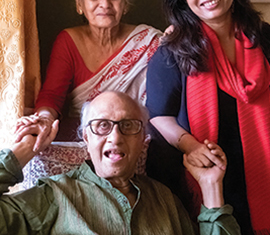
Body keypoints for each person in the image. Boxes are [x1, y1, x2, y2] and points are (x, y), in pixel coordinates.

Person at [146, 0, 270, 235]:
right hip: (207, 177)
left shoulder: (264, 38)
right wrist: (192, 145)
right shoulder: (173, 51)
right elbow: (158, 116)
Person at [0, 91, 240, 234]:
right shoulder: (54, 195)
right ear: (86, 136)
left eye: (129, 126)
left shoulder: (165, 199)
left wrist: (211, 187)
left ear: (142, 139)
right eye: (102, 126)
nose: (115, 137)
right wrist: (24, 149)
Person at [15, 0, 162, 152]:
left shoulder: (148, 41)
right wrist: (44, 119)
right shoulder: (68, 41)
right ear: (79, 3)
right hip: (84, 135)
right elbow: (52, 95)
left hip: (133, 135)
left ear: (125, 5)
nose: (105, 3)